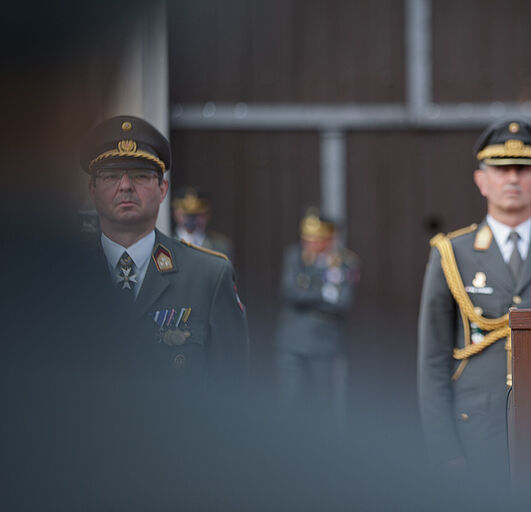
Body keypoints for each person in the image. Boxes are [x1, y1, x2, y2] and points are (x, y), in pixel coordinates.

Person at [418, 119, 531, 481]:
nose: (512, 179)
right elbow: (432, 362)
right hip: (474, 431)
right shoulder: (451, 253)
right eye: (501, 169)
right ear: (481, 180)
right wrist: (445, 453)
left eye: (523, 169)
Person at [79, 115, 249, 385]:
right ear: (92, 189)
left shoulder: (208, 276)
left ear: (162, 189)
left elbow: (234, 387)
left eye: (140, 176)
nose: (125, 186)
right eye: (111, 176)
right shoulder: (59, 278)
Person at [274, 209, 359, 412]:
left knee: (323, 404)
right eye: (307, 238)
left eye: (316, 239)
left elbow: (342, 302)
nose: (309, 244)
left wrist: (308, 290)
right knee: (290, 402)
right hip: (293, 340)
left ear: (329, 239)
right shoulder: (295, 257)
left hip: (324, 342)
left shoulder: (346, 262)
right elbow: (290, 292)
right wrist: (324, 293)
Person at [172, 187, 234, 260]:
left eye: (197, 215)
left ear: (207, 215)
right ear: (175, 214)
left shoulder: (221, 246)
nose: (191, 220)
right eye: (186, 215)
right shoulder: (167, 244)